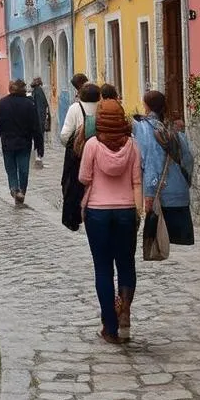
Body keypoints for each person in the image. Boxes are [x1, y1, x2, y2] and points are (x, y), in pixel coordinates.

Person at [78, 98, 143, 345]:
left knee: (103, 268)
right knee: (126, 264)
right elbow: (137, 181)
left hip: (98, 212)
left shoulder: (92, 145)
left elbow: (84, 177)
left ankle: (110, 326)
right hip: (126, 211)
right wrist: (138, 212)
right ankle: (125, 313)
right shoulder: (133, 146)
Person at [134, 90, 195, 247]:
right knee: (179, 243)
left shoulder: (144, 128)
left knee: (160, 244)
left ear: (146, 106)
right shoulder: (173, 128)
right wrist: (185, 182)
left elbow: (151, 162)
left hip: (161, 197)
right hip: (180, 194)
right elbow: (188, 159)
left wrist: (149, 194)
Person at [0, 79, 45, 205]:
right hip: (24, 144)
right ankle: (21, 191)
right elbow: (36, 127)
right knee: (24, 169)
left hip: (7, 143)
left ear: (10, 89)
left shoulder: (2, 104)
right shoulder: (29, 104)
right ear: (23, 89)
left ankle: (14, 189)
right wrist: (39, 146)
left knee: (11, 169)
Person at [61, 80, 101, 232]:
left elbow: (65, 135)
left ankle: (74, 217)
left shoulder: (75, 108)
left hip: (78, 153)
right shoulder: (101, 108)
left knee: (74, 185)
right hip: (98, 152)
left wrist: (72, 146)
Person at [30, 77, 50, 168]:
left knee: (39, 139)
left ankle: (39, 157)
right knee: (38, 138)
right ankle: (37, 156)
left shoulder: (38, 92)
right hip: (37, 120)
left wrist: (39, 121)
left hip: (38, 120)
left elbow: (41, 108)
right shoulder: (36, 91)